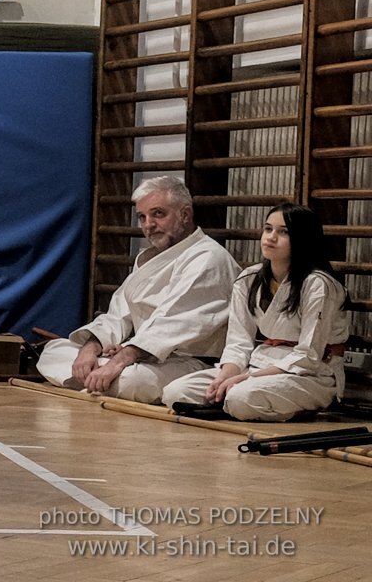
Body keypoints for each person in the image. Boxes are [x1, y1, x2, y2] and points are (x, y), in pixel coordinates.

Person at [37, 176, 240, 403]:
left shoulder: (208, 258)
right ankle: (97, 377)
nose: (148, 225)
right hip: (139, 354)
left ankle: (96, 379)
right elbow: (118, 314)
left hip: (190, 362)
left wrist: (121, 358)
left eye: (158, 214)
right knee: (54, 351)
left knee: (132, 380)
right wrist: (91, 349)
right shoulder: (148, 259)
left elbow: (171, 323)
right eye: (142, 217)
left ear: (185, 214)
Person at [162, 204, 349, 421]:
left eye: (283, 232)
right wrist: (225, 376)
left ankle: (299, 407)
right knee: (176, 392)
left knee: (241, 398)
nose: (271, 237)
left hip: (311, 374)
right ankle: (229, 401)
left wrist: (248, 378)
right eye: (268, 229)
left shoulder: (318, 284)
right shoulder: (248, 279)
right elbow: (238, 343)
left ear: (303, 238)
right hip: (258, 365)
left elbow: (308, 356)